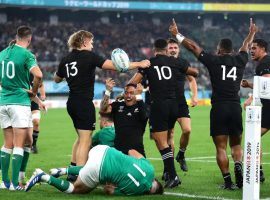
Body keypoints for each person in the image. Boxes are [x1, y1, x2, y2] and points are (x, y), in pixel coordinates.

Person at [169, 18, 257, 189]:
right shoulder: (240, 60)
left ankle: (228, 181)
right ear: (232, 50)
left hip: (219, 108)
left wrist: (177, 35)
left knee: (221, 148)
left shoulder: (213, 60)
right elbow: (245, 46)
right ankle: (238, 164)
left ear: (219, 50)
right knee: (236, 144)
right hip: (234, 106)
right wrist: (251, 33)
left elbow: (193, 47)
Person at [53, 30, 150, 181]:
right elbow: (117, 66)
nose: (92, 45)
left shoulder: (66, 59)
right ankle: (80, 176)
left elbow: (56, 79)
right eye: (91, 42)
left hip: (71, 102)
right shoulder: (89, 56)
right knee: (86, 140)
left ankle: (73, 169)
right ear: (84, 41)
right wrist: (140, 64)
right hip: (84, 103)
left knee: (80, 137)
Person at [129, 39, 198, 188]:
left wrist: (129, 89)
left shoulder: (149, 63)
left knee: (160, 141)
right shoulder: (176, 62)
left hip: (159, 106)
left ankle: (172, 175)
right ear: (166, 49)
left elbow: (133, 83)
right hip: (175, 106)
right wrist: (183, 69)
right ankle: (169, 173)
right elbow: (195, 73)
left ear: (154, 50)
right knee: (167, 139)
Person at [0, 25, 43, 190]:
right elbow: (38, 74)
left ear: (16, 36)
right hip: (19, 102)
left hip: (3, 102)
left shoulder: (2, 54)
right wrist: (33, 91)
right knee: (19, 144)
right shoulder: (27, 54)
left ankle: (4, 182)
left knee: (7, 144)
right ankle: (14, 184)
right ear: (29, 39)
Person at [25, 145, 164, 196]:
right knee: (76, 189)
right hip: (97, 168)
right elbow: (108, 190)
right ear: (149, 192)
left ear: (155, 180)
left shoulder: (150, 169)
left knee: (92, 167)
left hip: (102, 149)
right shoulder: (136, 191)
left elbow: (132, 151)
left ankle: (61, 171)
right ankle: (43, 176)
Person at [166, 38, 198, 173]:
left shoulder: (183, 63)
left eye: (175, 48)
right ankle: (169, 168)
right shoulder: (163, 63)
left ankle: (181, 154)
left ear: (178, 49)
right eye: (170, 48)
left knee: (187, 130)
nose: (173, 50)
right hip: (167, 103)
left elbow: (192, 80)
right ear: (166, 50)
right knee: (170, 135)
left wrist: (194, 95)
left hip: (180, 103)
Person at [241, 38, 270, 183]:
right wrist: (250, 85)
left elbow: (266, 85)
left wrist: (250, 99)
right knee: (255, 137)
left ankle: (257, 171)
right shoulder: (264, 63)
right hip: (268, 108)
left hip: (269, 108)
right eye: (251, 48)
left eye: (254, 48)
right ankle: (258, 171)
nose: (251, 50)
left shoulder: (264, 63)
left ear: (263, 49)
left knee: (253, 138)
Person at [100, 79, 148, 157]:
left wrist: (139, 95)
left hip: (136, 151)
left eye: (132, 93)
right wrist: (108, 91)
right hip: (119, 152)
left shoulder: (142, 106)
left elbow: (144, 116)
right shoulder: (118, 105)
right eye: (126, 93)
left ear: (136, 94)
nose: (128, 96)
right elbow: (103, 109)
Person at [29, 74, 46, 154]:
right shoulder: (19, 70)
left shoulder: (35, 74)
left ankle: (34, 145)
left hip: (34, 102)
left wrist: (43, 95)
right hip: (21, 102)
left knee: (36, 122)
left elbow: (41, 85)